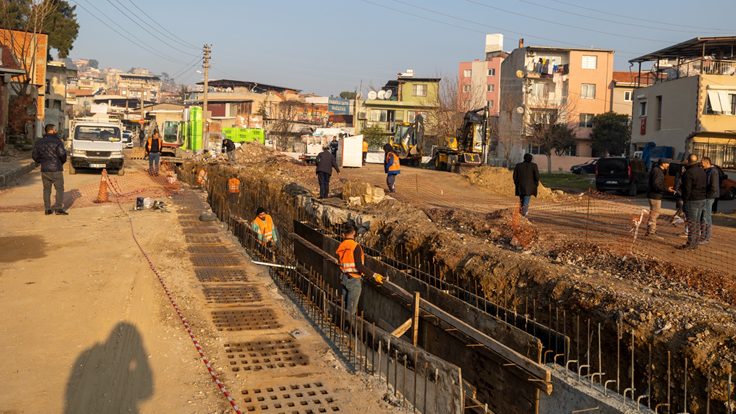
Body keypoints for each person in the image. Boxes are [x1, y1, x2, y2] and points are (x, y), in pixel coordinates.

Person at [336, 222, 383, 315]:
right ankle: (347, 328)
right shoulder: (355, 246)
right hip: (354, 281)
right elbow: (359, 266)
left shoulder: (342, 246)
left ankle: (342, 325)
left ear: (343, 234)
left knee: (344, 306)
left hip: (344, 278)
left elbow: (348, 262)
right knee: (351, 310)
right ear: (354, 232)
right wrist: (374, 275)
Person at [32, 124, 68, 215]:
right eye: (55, 129)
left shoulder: (39, 142)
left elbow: (34, 156)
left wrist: (43, 162)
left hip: (45, 169)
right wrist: (60, 162)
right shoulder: (57, 141)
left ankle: (47, 209)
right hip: (56, 169)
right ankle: (58, 209)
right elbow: (62, 154)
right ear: (52, 130)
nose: (56, 131)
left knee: (46, 189)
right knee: (59, 188)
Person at [677, 154, 706, 250]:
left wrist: (685, 200)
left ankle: (690, 244)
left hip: (692, 200)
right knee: (697, 223)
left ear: (688, 161)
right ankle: (695, 243)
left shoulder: (688, 173)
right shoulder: (702, 171)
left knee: (691, 223)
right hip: (701, 199)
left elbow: (687, 189)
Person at [645, 160, 669, 239]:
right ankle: (651, 231)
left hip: (654, 195)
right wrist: (666, 189)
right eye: (667, 163)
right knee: (655, 213)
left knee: (654, 213)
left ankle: (651, 229)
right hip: (655, 196)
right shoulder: (658, 172)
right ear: (663, 163)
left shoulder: (657, 170)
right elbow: (656, 185)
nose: (668, 165)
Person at [512, 153, 540, 218]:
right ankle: (523, 216)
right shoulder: (534, 166)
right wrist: (536, 183)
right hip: (529, 187)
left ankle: (520, 215)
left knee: (521, 201)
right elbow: (537, 176)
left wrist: (517, 183)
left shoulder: (518, 165)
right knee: (525, 202)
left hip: (520, 187)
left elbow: (514, 176)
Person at [700, 157, 719, 244]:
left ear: (707, 163)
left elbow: (713, 187)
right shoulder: (706, 171)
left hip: (709, 198)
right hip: (705, 197)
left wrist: (707, 196)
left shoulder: (713, 172)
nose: (701, 164)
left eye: (702, 162)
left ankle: (707, 238)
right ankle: (703, 236)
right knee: (703, 217)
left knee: (706, 217)